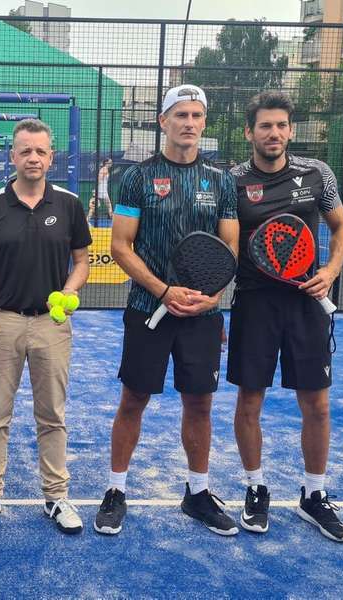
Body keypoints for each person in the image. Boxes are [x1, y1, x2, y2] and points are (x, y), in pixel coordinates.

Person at [93, 84, 240, 537]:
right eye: (180, 115)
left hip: (203, 315)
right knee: (133, 399)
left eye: (197, 115)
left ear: (203, 124)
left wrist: (212, 296)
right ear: (163, 122)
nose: (189, 123)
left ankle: (197, 493)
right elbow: (120, 245)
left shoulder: (221, 182)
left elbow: (229, 247)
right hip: (147, 309)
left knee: (199, 403)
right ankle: (116, 490)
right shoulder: (137, 178)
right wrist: (162, 290)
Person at [229, 91, 343, 542]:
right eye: (265, 126)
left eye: (281, 125)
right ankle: (256, 488)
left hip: (306, 303)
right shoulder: (233, 182)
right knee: (250, 402)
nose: (274, 133)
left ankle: (313, 496)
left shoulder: (317, 173)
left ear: (291, 130)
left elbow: (340, 228)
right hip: (255, 302)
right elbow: (226, 246)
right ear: (250, 132)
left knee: (317, 405)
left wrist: (330, 270)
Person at [0, 119, 92, 535]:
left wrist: (70, 292)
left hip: (52, 325)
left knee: (52, 414)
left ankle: (56, 498)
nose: (33, 158)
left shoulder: (70, 205)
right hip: (1, 322)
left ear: (51, 157)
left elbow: (82, 260)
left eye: (41, 151)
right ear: (13, 156)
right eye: (25, 151)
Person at [86, 158, 114, 224]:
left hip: (102, 190)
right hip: (101, 191)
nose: (111, 164)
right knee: (109, 206)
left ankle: (87, 220)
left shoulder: (105, 169)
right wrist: (95, 189)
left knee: (94, 207)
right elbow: (99, 179)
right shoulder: (104, 169)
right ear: (106, 163)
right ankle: (114, 222)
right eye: (110, 162)